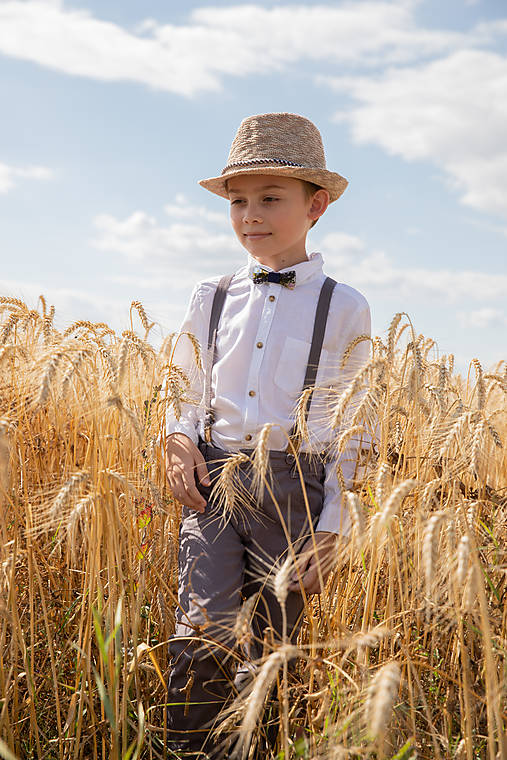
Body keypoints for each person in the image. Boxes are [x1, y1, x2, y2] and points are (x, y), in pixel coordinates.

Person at [164, 112, 371, 758]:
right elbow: (183, 386)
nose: (249, 215)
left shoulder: (343, 307)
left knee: (271, 652)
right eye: (237, 201)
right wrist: (176, 441)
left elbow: (354, 426)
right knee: (202, 632)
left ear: (316, 206)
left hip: (293, 490)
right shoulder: (212, 295)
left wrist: (336, 525)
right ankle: (189, 750)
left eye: (269, 199)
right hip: (214, 483)